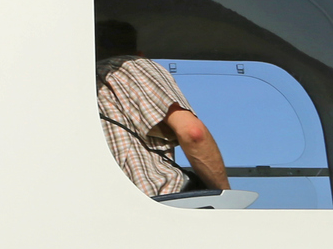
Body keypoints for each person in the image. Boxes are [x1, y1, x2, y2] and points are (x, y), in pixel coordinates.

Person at [94, 19, 231, 197]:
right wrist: (225, 199)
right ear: (139, 54)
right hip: (159, 201)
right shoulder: (132, 65)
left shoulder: (71, 91)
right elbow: (193, 133)